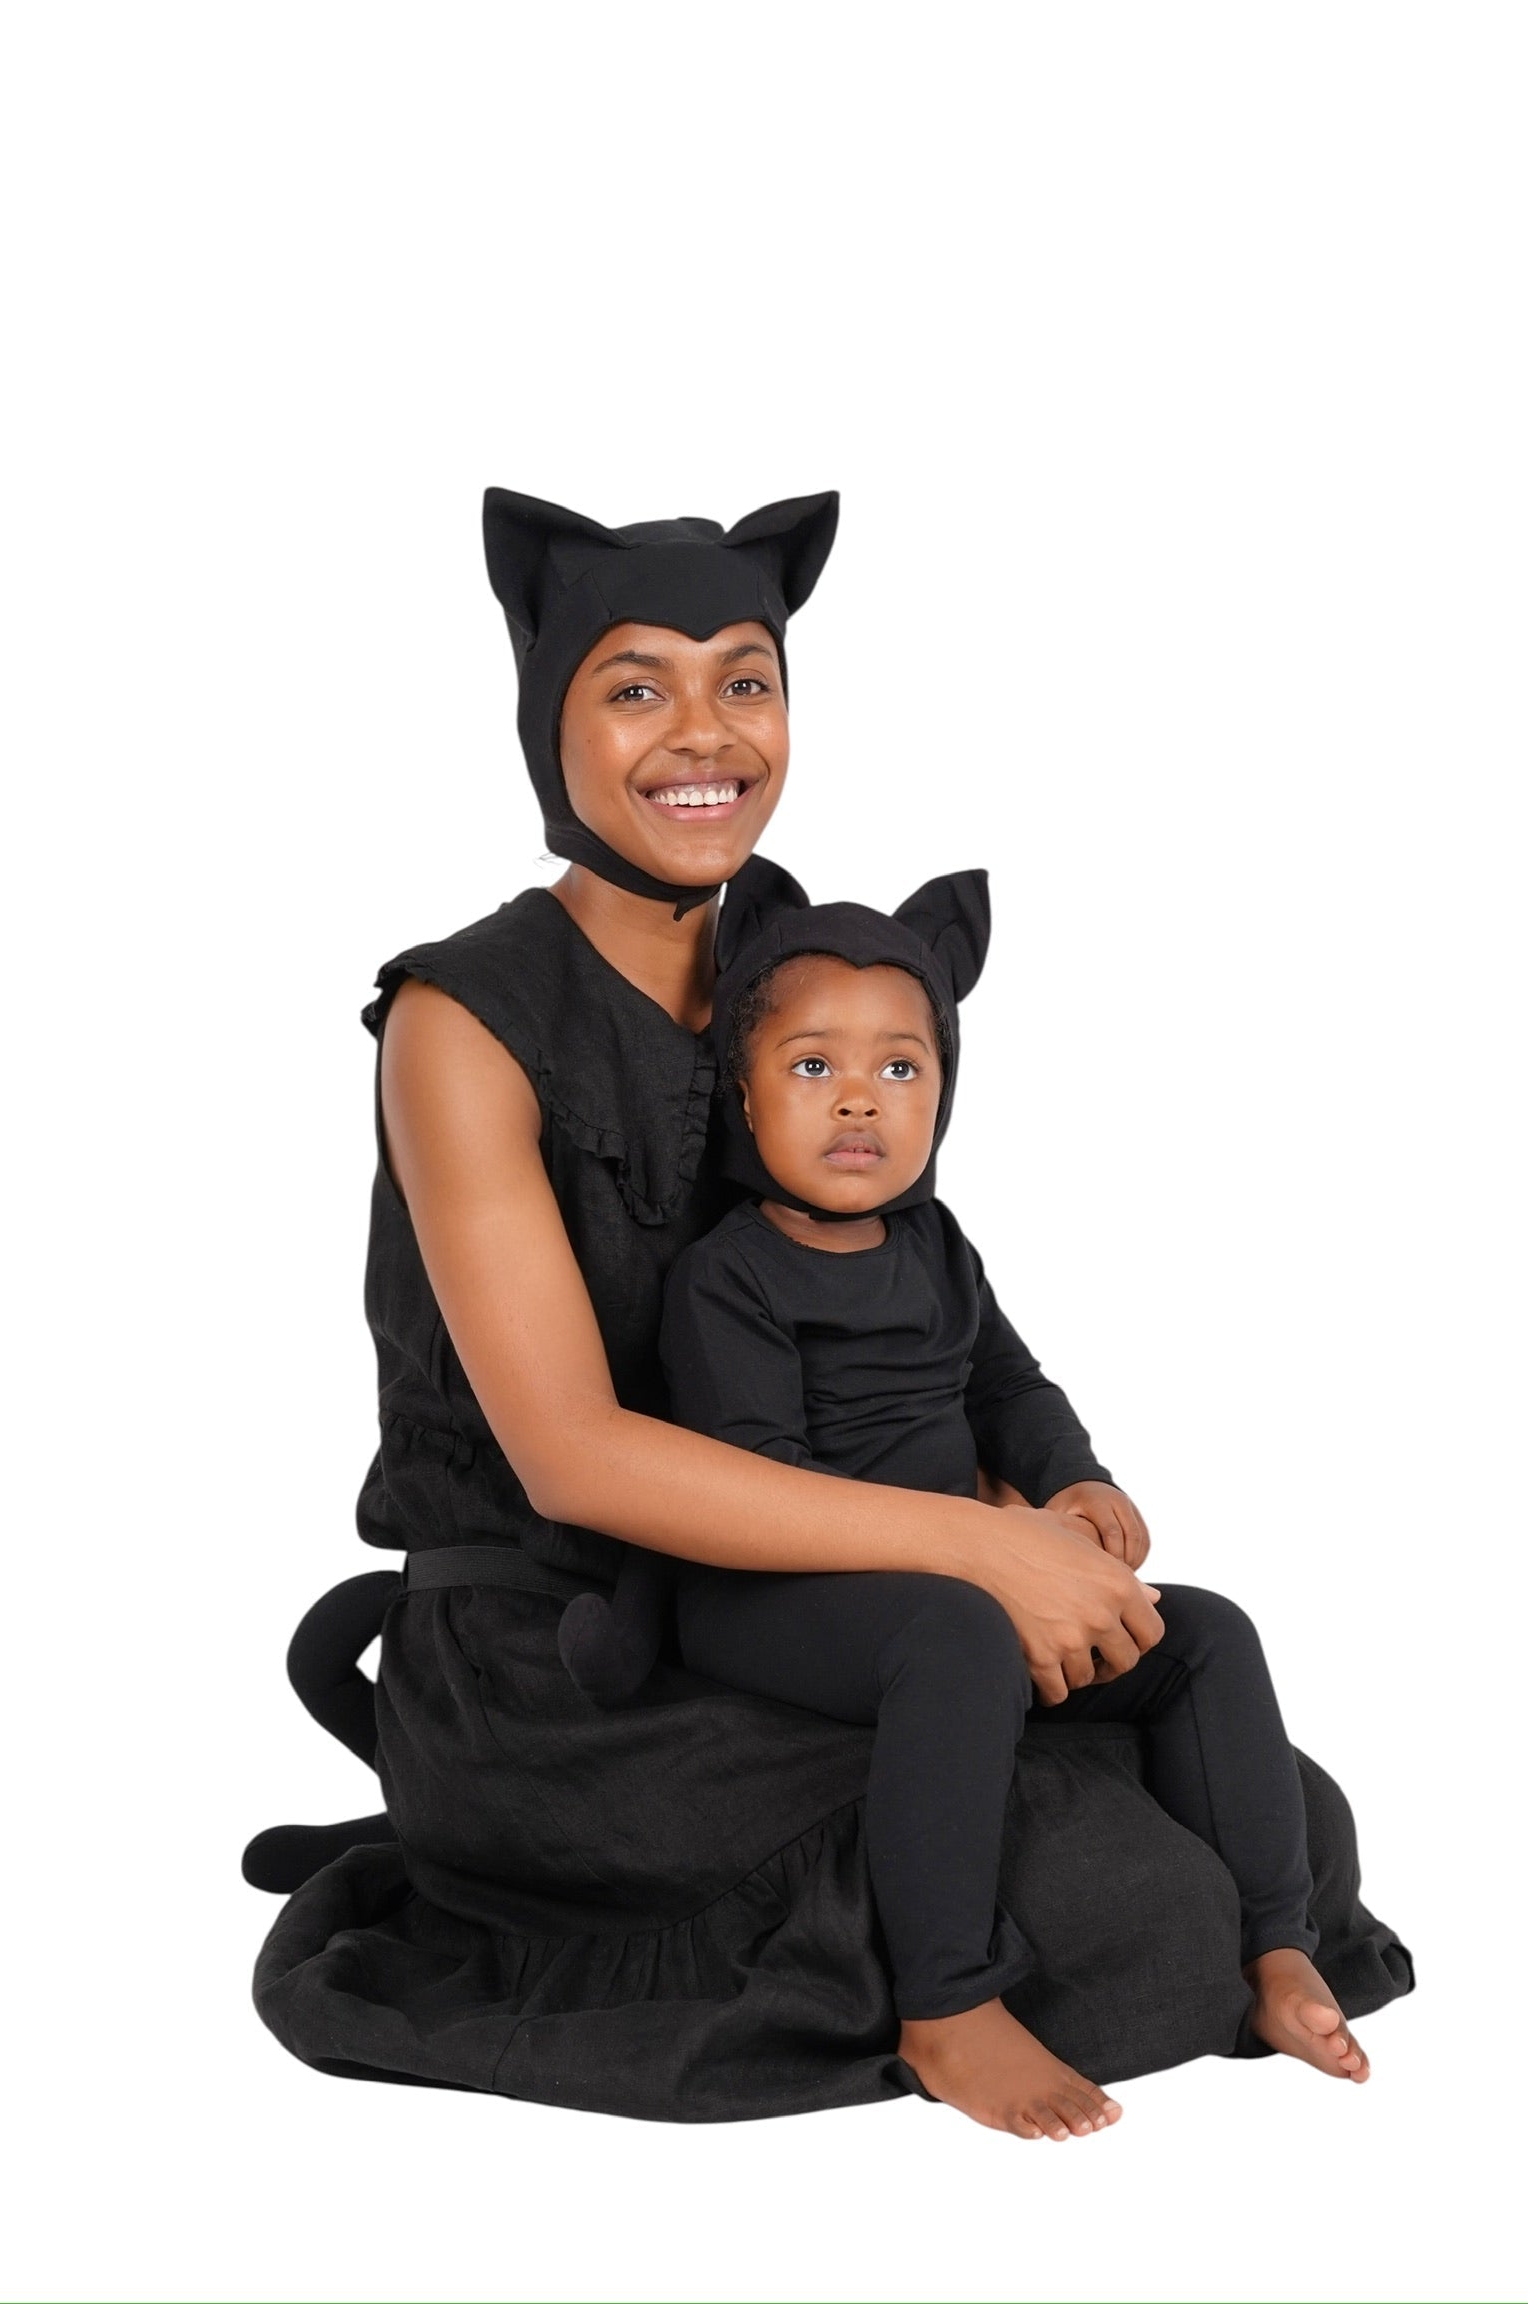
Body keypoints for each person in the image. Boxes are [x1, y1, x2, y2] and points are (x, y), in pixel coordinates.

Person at [247, 488, 1411, 2124]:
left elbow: (918, 1321)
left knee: (1276, 1803)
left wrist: (1036, 1500)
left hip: (833, 1601)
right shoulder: (464, 1018)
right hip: (563, 1675)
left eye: (745, 678)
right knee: (1136, 1909)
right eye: (635, 686)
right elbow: (573, 1454)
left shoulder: (801, 996)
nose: (702, 731)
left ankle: (1183, 1922)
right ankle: (937, 1996)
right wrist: (975, 1552)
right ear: (550, 717)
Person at [579, 873, 1368, 2138]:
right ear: (742, 1091)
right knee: (950, 1639)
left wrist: (1073, 1480)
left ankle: (1276, 1946)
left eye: (899, 1069)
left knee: (1205, 1631)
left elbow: (1006, 1384)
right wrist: (988, 1560)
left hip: (955, 1574)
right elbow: (765, 1485)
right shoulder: (730, 1276)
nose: (858, 1098)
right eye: (812, 1065)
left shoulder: (936, 1246)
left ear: (941, 1096)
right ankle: (946, 2003)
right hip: (768, 1589)